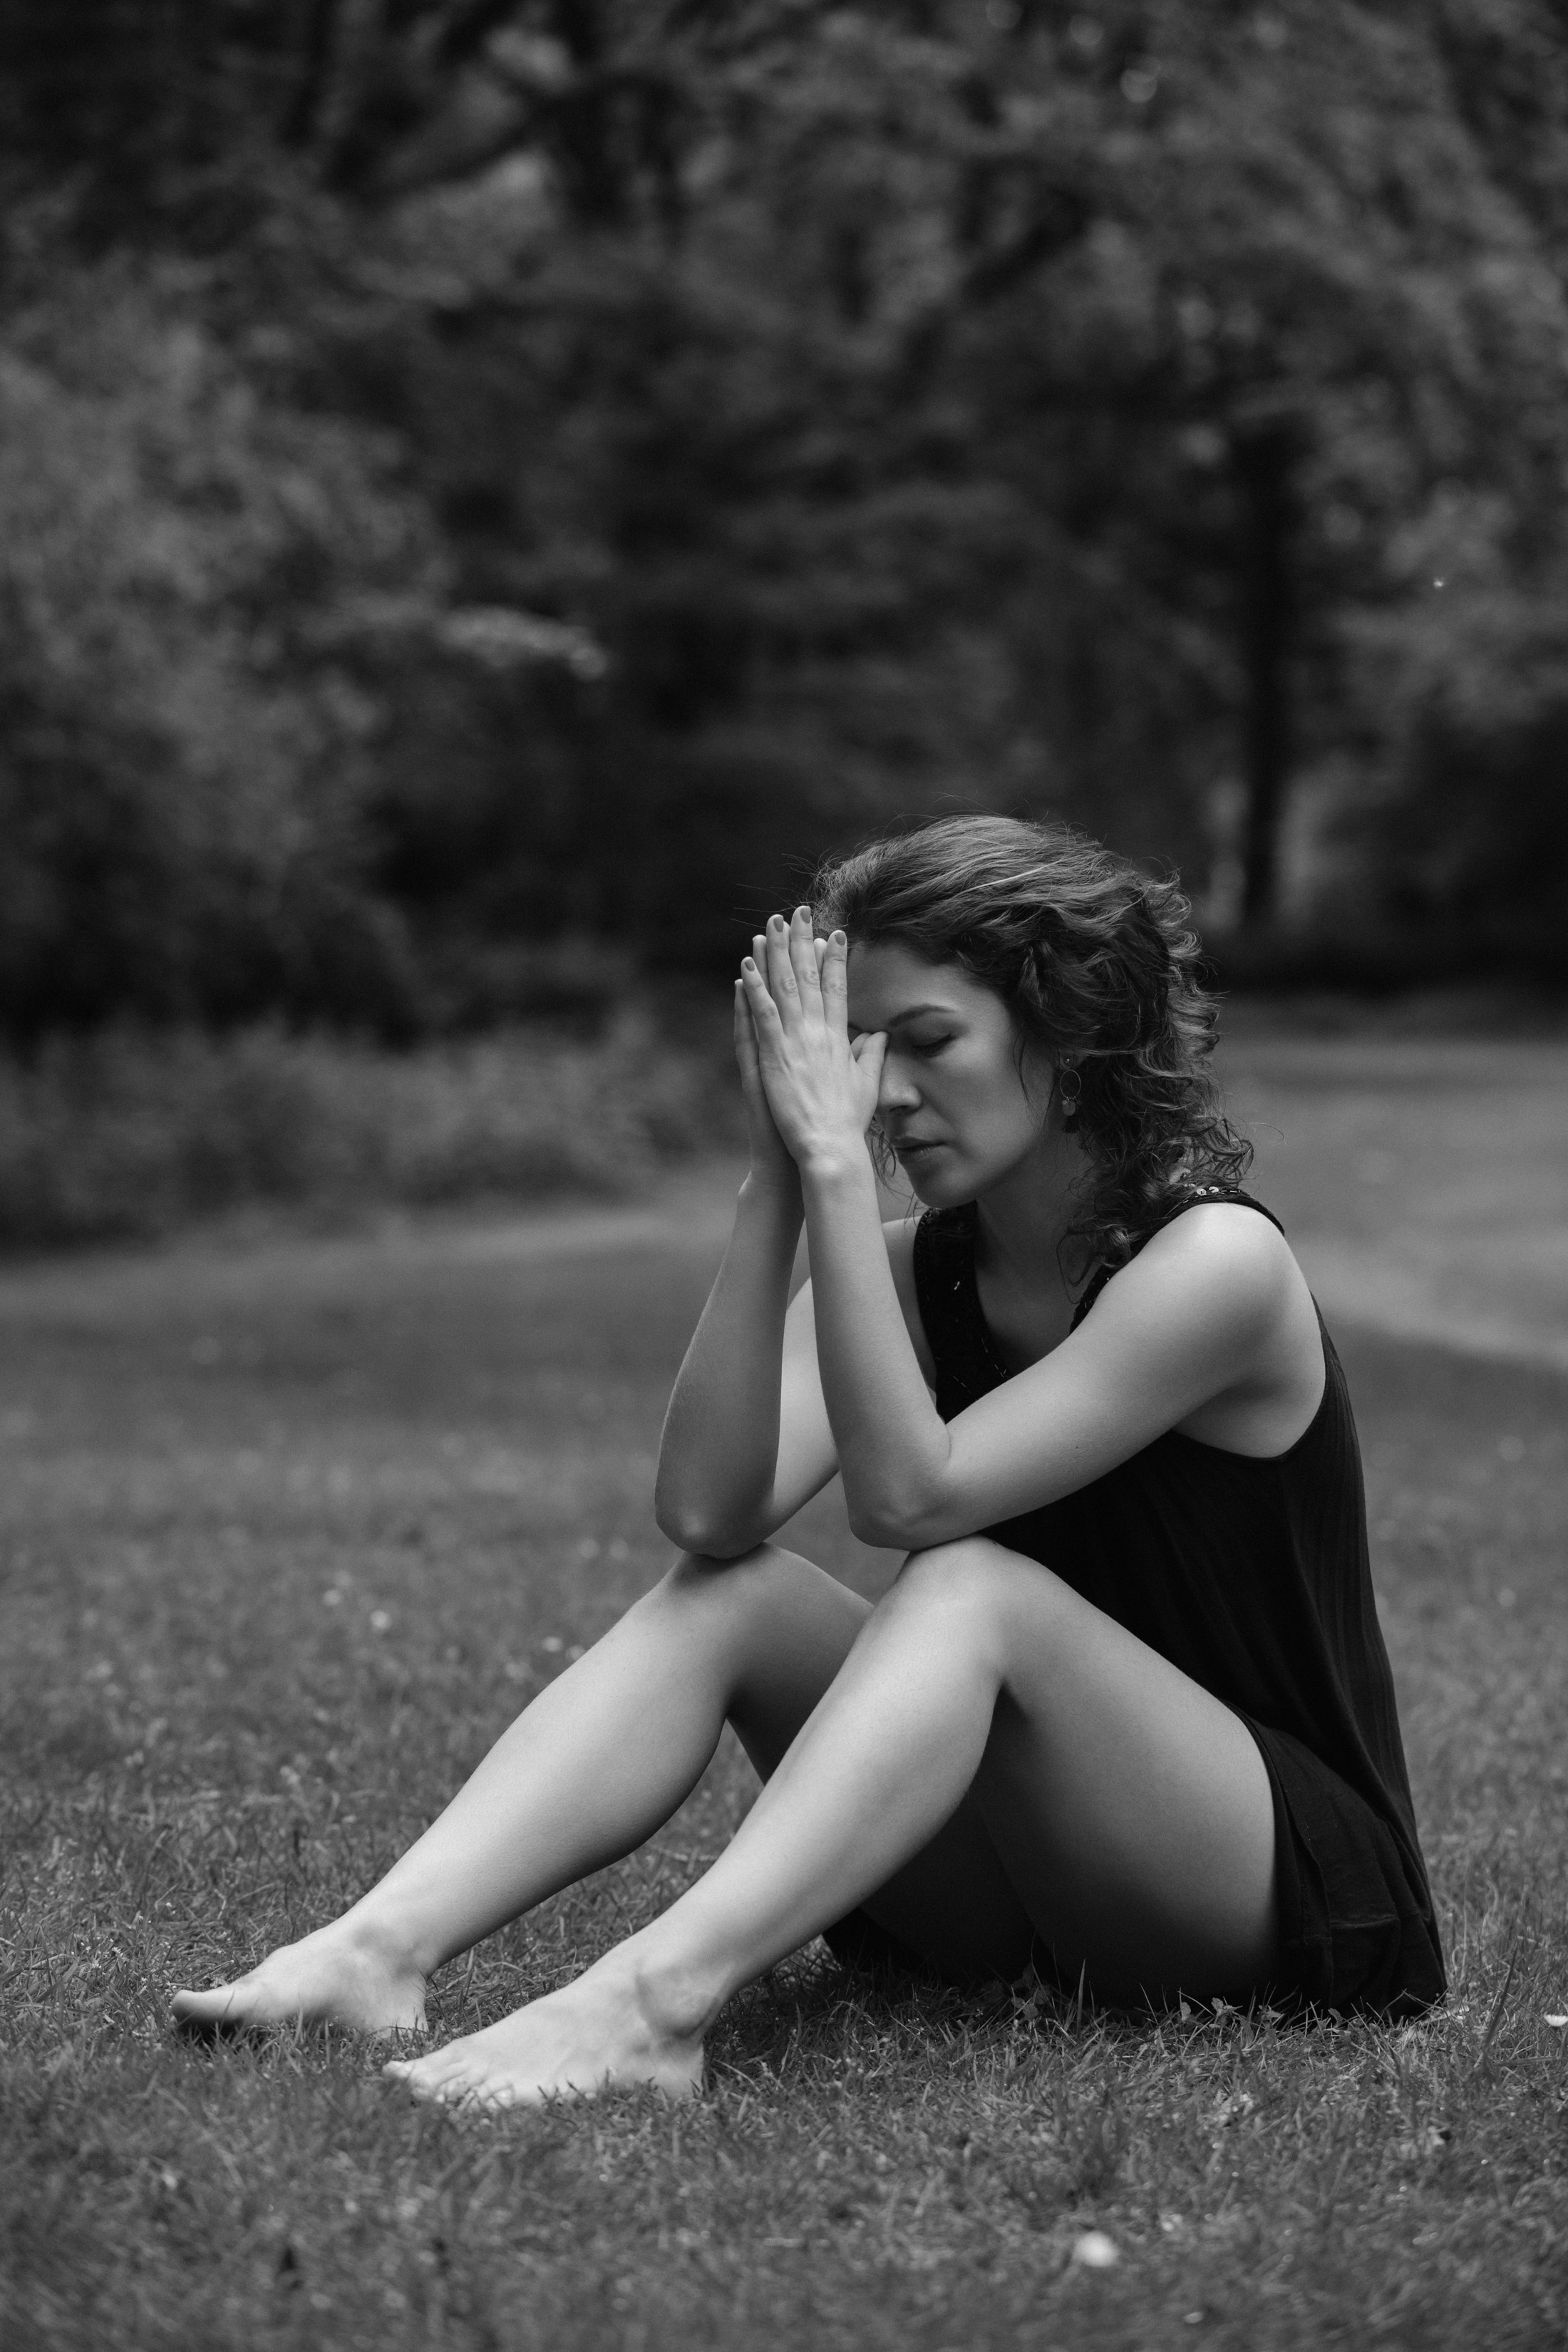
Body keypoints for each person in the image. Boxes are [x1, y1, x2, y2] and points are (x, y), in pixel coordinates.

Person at [172, 816, 1444, 2105]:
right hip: (1031, 1884)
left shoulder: (1215, 1267)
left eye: (929, 1040)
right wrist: (778, 1180)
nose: (880, 1094)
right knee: (738, 1595)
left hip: (1277, 1891)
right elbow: (710, 1511)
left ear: (1074, 1033)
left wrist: (840, 1171)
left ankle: (652, 2006)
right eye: (856, 1050)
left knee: (968, 1586)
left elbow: (912, 1500)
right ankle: (375, 1954)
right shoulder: (910, 1265)